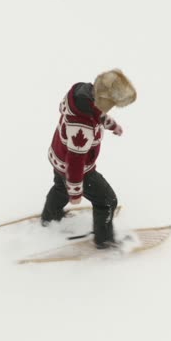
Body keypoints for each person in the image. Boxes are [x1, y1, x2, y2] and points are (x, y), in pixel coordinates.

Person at [41, 69, 137, 248]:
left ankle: (50, 217)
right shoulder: (82, 126)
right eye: (112, 104)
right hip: (76, 168)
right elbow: (76, 161)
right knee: (107, 201)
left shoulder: (81, 93)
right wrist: (76, 191)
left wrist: (111, 125)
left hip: (58, 155)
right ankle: (104, 241)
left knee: (60, 187)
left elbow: (96, 113)